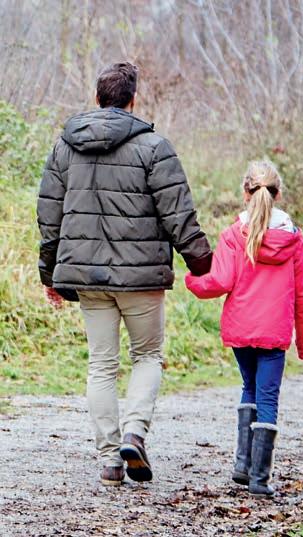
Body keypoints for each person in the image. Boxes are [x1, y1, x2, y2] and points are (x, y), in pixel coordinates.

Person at [37, 62, 212, 486]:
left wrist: (49, 272)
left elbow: (49, 216)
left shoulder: (65, 147)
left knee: (101, 364)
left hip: (87, 277)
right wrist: (202, 261)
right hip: (141, 279)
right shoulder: (154, 147)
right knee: (147, 355)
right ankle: (134, 433)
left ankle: (110, 459)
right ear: (133, 101)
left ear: (97, 99)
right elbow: (178, 214)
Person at [185, 160, 303, 497]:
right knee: (267, 397)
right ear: (278, 194)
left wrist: (191, 280)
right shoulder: (293, 239)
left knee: (249, 387)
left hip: (241, 330)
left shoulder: (233, 234)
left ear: (245, 193)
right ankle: (260, 478)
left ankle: (242, 466)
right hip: (274, 334)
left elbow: (219, 281)